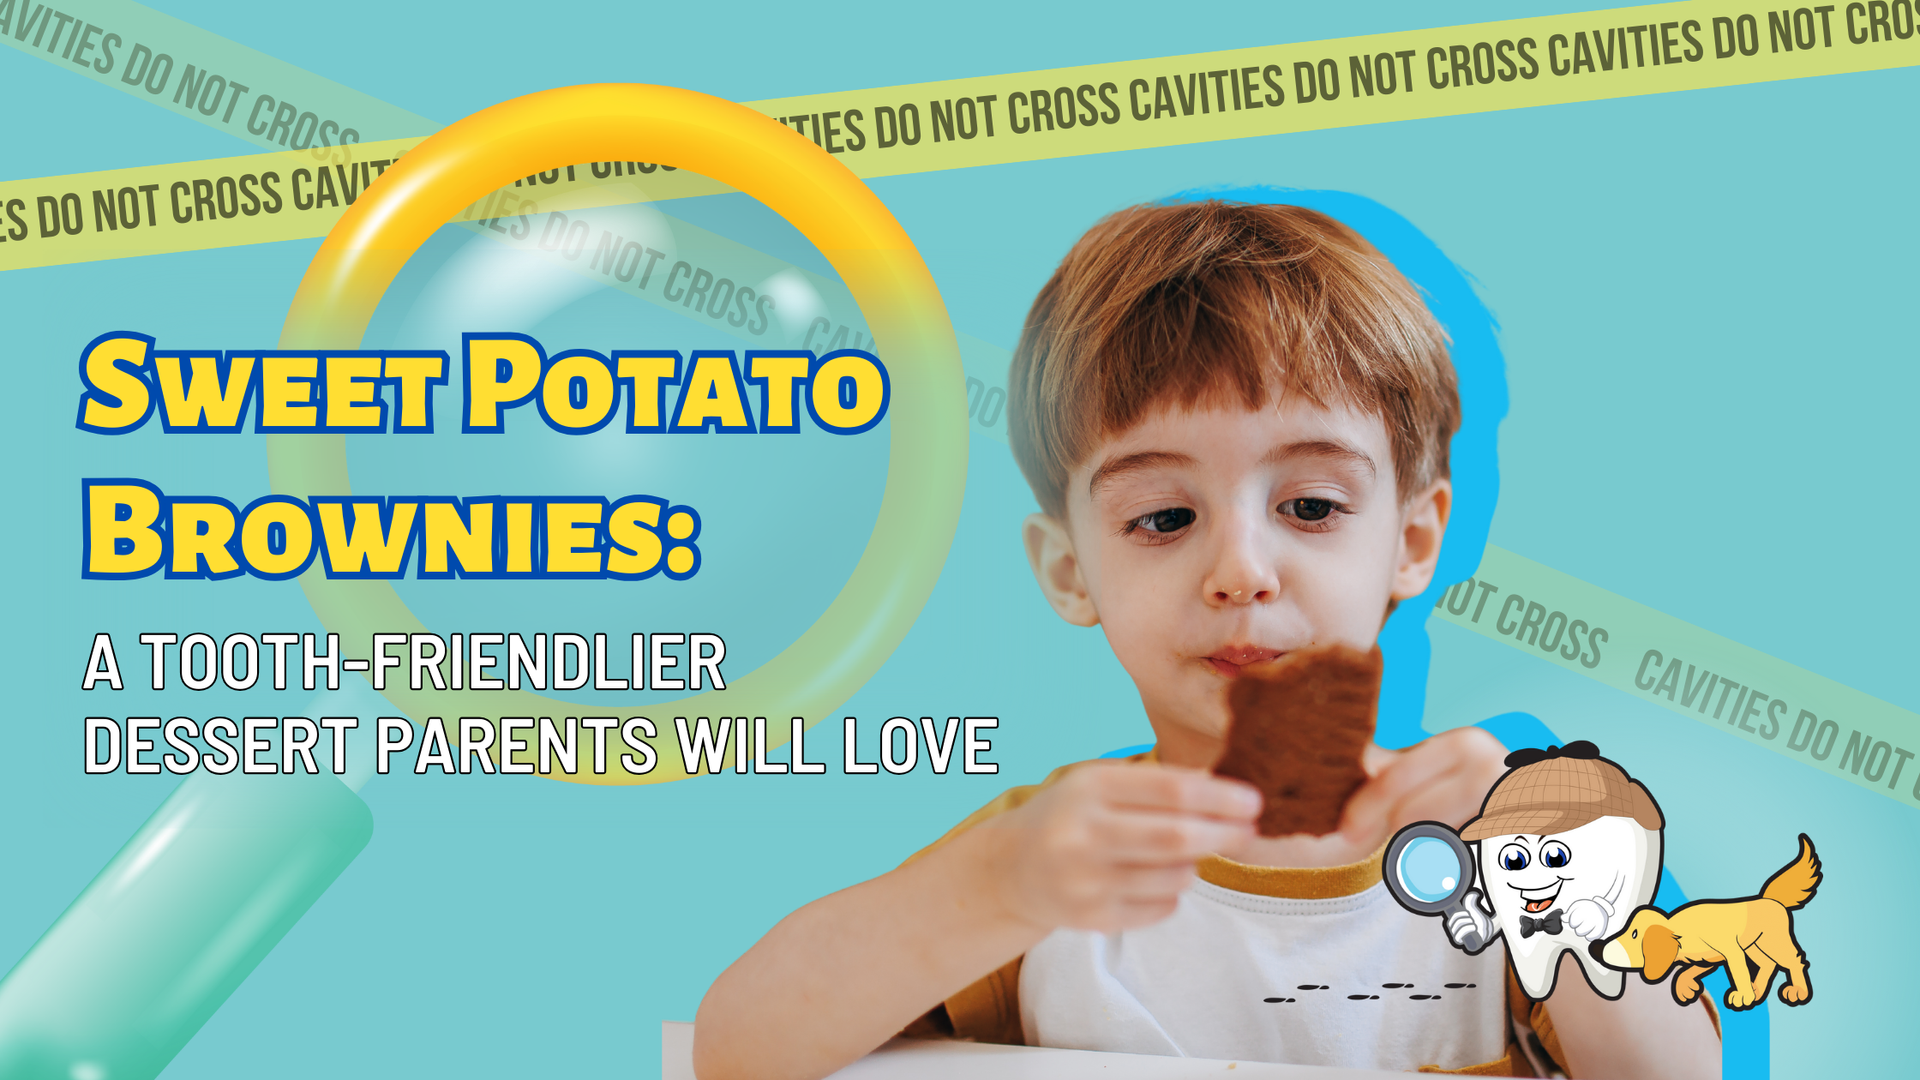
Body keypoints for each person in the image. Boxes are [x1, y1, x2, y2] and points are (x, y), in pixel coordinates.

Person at [693, 201, 1721, 1079]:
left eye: (1311, 506)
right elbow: (734, 1050)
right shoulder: (1059, 861)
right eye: (1166, 518)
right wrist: (990, 884)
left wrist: (1553, 892)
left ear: (1411, 542)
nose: (1240, 569)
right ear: (1070, 572)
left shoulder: (1497, 842)